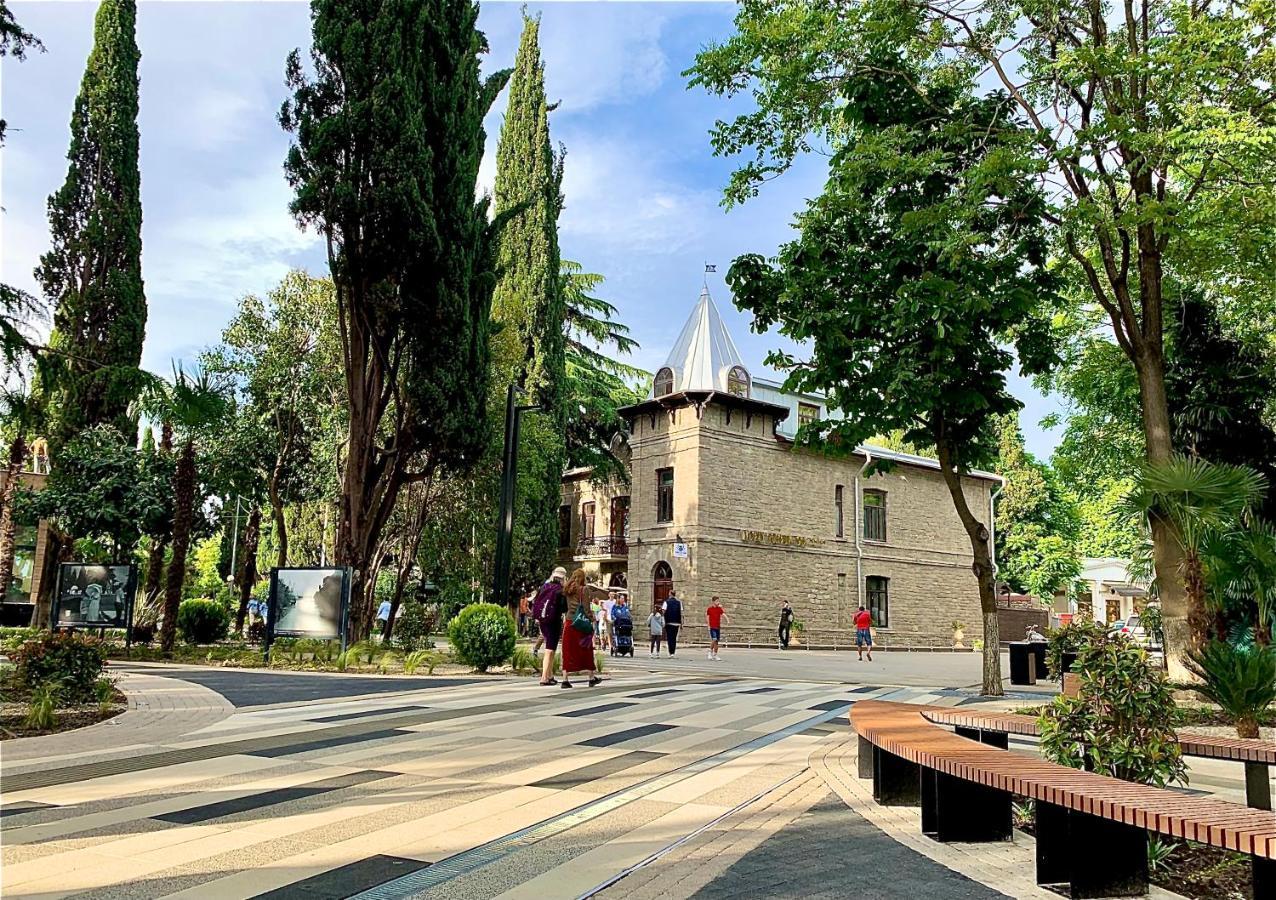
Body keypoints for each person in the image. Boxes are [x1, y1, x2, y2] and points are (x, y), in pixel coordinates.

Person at [560, 568, 600, 688]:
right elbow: (586, 609)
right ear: (583, 578)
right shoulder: (584, 589)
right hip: (580, 624)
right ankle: (591, 677)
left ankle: (565, 679)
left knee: (567, 651)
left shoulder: (567, 589)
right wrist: (593, 619)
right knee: (586, 650)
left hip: (569, 622)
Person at [532, 567, 568, 685]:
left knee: (550, 647)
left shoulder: (544, 587)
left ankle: (550, 675)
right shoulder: (560, 590)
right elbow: (564, 608)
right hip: (553, 621)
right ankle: (544, 677)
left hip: (543, 621)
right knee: (550, 650)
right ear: (563, 578)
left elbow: (536, 601)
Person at [663, 590, 683, 656]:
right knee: (674, 637)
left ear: (670, 594)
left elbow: (663, 612)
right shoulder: (679, 603)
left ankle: (670, 651)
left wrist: (663, 621)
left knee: (669, 637)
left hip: (669, 622)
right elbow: (681, 613)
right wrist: (681, 623)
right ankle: (673, 652)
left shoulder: (666, 602)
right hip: (677, 622)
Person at [706, 596, 726, 660]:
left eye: (718, 601)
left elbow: (723, 614)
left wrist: (727, 619)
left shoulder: (719, 609)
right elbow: (707, 617)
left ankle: (715, 654)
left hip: (718, 626)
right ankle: (710, 651)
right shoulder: (709, 609)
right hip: (712, 626)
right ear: (713, 601)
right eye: (717, 601)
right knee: (714, 639)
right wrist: (708, 625)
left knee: (716, 641)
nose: (718, 602)